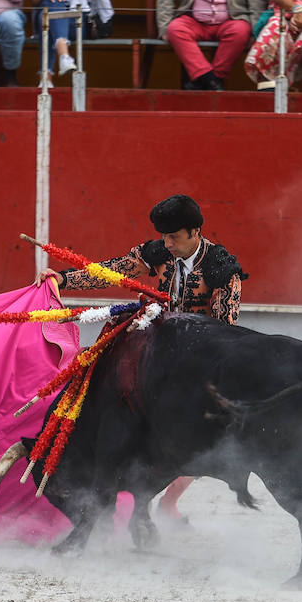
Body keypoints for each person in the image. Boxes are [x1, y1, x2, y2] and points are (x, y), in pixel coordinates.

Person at [42, 194, 248, 523]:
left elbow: (224, 330)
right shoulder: (158, 252)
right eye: (164, 236)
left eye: (174, 237)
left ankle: (166, 502)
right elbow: (111, 272)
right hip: (158, 351)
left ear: (195, 231)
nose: (166, 244)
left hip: (198, 359)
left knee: (194, 433)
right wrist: (62, 279)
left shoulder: (222, 269)